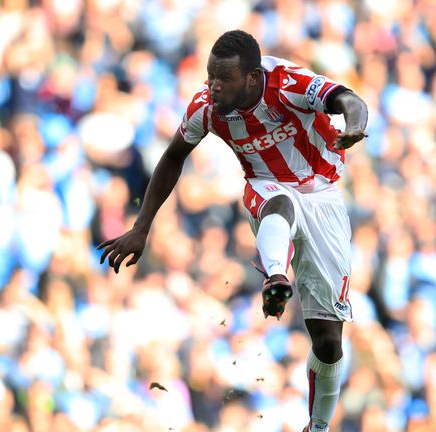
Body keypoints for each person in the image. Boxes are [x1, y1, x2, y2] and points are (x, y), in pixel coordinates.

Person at [98, 30, 367, 432]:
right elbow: (173, 156)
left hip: (322, 192)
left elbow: (348, 100)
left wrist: (355, 125)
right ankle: (276, 274)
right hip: (265, 184)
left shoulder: (287, 82)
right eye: (210, 77)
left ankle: (319, 426)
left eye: (223, 79)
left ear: (254, 78)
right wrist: (142, 226)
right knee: (280, 203)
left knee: (328, 341)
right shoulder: (206, 107)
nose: (213, 86)